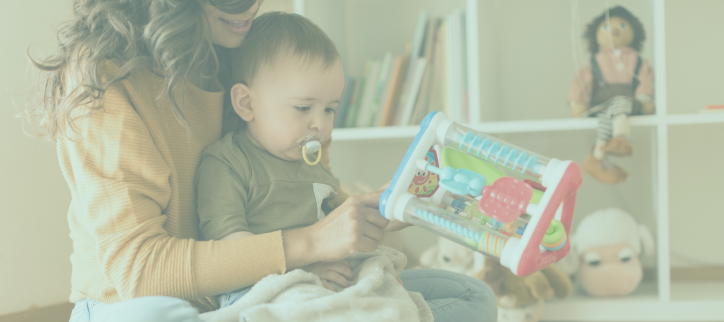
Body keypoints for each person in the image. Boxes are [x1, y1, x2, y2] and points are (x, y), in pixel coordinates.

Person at [27, 0, 496, 320]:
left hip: (265, 284)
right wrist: (308, 249)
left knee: (468, 298)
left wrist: (372, 215)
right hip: (140, 302)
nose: (250, 9)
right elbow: (141, 273)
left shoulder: (246, 49)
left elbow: (305, 194)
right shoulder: (107, 82)